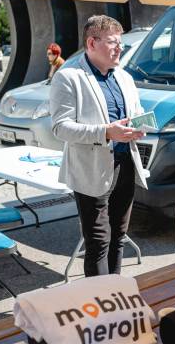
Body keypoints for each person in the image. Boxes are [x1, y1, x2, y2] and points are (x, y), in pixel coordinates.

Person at [49, 15, 146, 277]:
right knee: (98, 242)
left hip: (125, 165)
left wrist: (139, 125)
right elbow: (60, 128)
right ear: (92, 43)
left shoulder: (124, 77)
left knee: (119, 237)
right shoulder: (68, 77)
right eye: (113, 42)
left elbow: (136, 112)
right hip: (91, 170)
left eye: (120, 42)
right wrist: (106, 132)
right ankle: (98, 299)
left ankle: (115, 292)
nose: (120, 48)